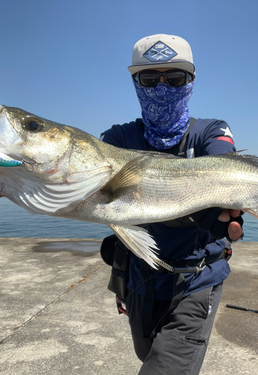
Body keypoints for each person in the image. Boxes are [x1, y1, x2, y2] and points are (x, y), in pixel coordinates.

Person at [100, 34, 244, 375]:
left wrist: (222, 204)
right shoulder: (118, 139)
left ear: (190, 83)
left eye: (175, 78)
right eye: (150, 79)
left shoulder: (210, 131)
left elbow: (224, 161)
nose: (162, 88)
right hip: (140, 280)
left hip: (197, 279)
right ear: (135, 83)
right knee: (148, 354)